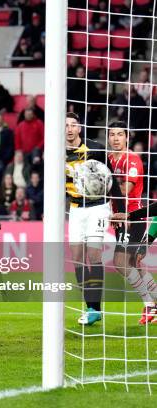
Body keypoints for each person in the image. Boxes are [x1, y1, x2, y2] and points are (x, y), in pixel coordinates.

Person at [65, 112, 124, 326]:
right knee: (77, 258)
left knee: (94, 254)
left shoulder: (95, 149)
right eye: (66, 125)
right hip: (75, 208)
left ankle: (94, 308)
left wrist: (120, 210)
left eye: (73, 125)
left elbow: (112, 181)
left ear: (79, 128)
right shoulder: (56, 152)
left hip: (97, 207)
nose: (69, 129)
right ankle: (90, 305)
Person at [107, 122, 156, 324]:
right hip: (119, 218)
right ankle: (153, 305)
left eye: (120, 134)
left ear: (127, 137)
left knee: (120, 262)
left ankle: (149, 305)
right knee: (132, 263)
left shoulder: (133, 159)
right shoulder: (109, 159)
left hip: (134, 218)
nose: (116, 138)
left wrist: (101, 184)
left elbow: (126, 189)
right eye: (112, 135)